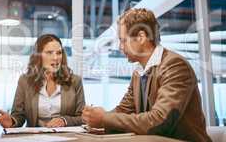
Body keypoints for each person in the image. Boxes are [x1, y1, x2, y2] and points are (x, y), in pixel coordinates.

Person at [82, 8, 212, 141]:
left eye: (123, 41)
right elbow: (124, 110)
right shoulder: (139, 72)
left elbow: (160, 121)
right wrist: (97, 119)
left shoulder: (175, 66)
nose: (120, 47)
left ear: (141, 37)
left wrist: (104, 118)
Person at [0, 34, 85, 128]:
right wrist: (12, 121)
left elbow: (83, 118)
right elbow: (18, 116)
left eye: (59, 53)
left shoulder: (75, 81)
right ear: (38, 56)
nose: (55, 58)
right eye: (49, 52)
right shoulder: (25, 81)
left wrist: (64, 120)